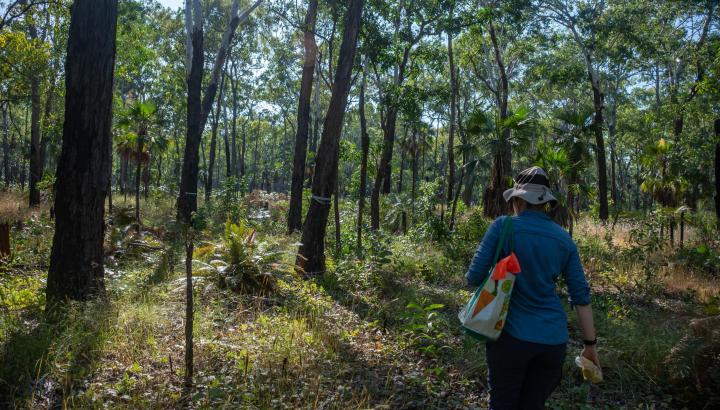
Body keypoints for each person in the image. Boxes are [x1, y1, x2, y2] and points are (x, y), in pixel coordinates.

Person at [465, 166, 599, 410]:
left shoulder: (503, 226)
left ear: (517, 199)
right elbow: (581, 296)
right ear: (545, 202)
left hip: (510, 338)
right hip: (553, 342)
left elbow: (473, 277)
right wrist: (590, 345)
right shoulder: (564, 239)